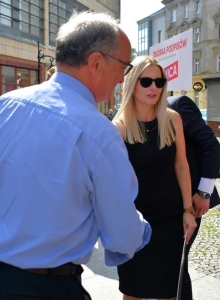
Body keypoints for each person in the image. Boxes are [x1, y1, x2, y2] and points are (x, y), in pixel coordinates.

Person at [0, 11, 151, 300]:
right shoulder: (98, 133)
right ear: (95, 62)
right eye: (124, 66)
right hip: (47, 287)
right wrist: (144, 230)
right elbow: (122, 235)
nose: (123, 77)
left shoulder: (6, 105)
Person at [113, 56, 197, 300]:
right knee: (133, 292)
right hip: (135, 221)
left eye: (159, 82)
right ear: (132, 83)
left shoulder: (172, 119)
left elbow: (182, 166)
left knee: (170, 291)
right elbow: (113, 182)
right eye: (147, 81)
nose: (154, 88)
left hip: (170, 220)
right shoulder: (119, 127)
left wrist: (188, 210)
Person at [167, 95, 220, 300]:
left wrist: (203, 192)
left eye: (156, 81)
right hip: (158, 202)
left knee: (176, 266)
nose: (152, 86)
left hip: (189, 201)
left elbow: (212, 146)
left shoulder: (178, 105)